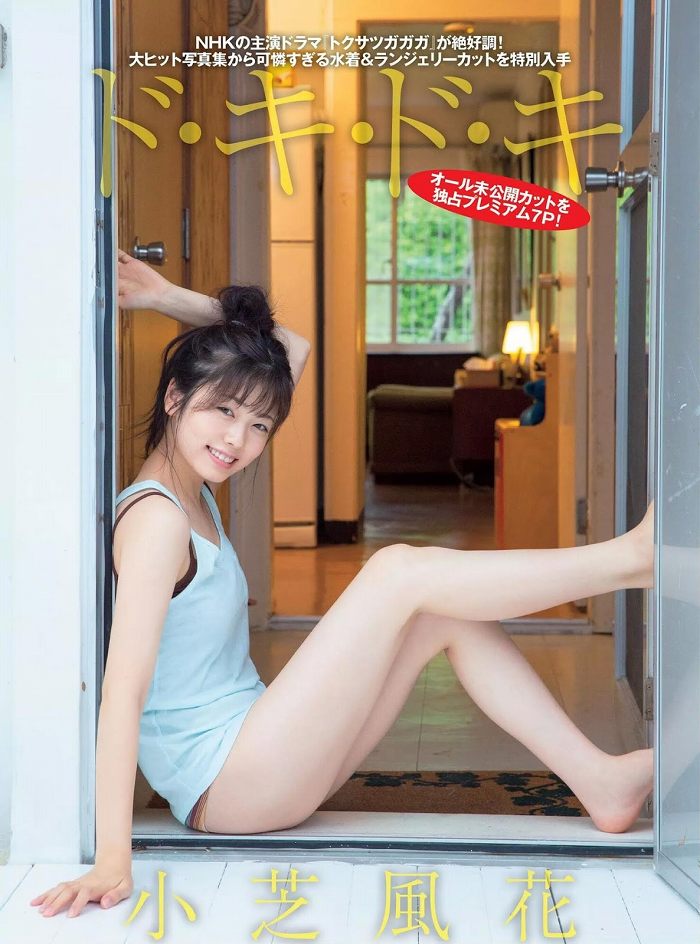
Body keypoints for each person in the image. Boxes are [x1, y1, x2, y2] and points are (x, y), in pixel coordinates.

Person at [31, 250, 655, 920]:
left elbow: (290, 349)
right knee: (396, 572)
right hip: (231, 784)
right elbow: (121, 694)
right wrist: (113, 858)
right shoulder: (156, 520)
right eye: (224, 411)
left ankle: (599, 781)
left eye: (260, 425)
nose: (238, 440)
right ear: (175, 398)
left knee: (442, 612)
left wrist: (167, 298)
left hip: (263, 754)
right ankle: (629, 562)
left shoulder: (195, 489)